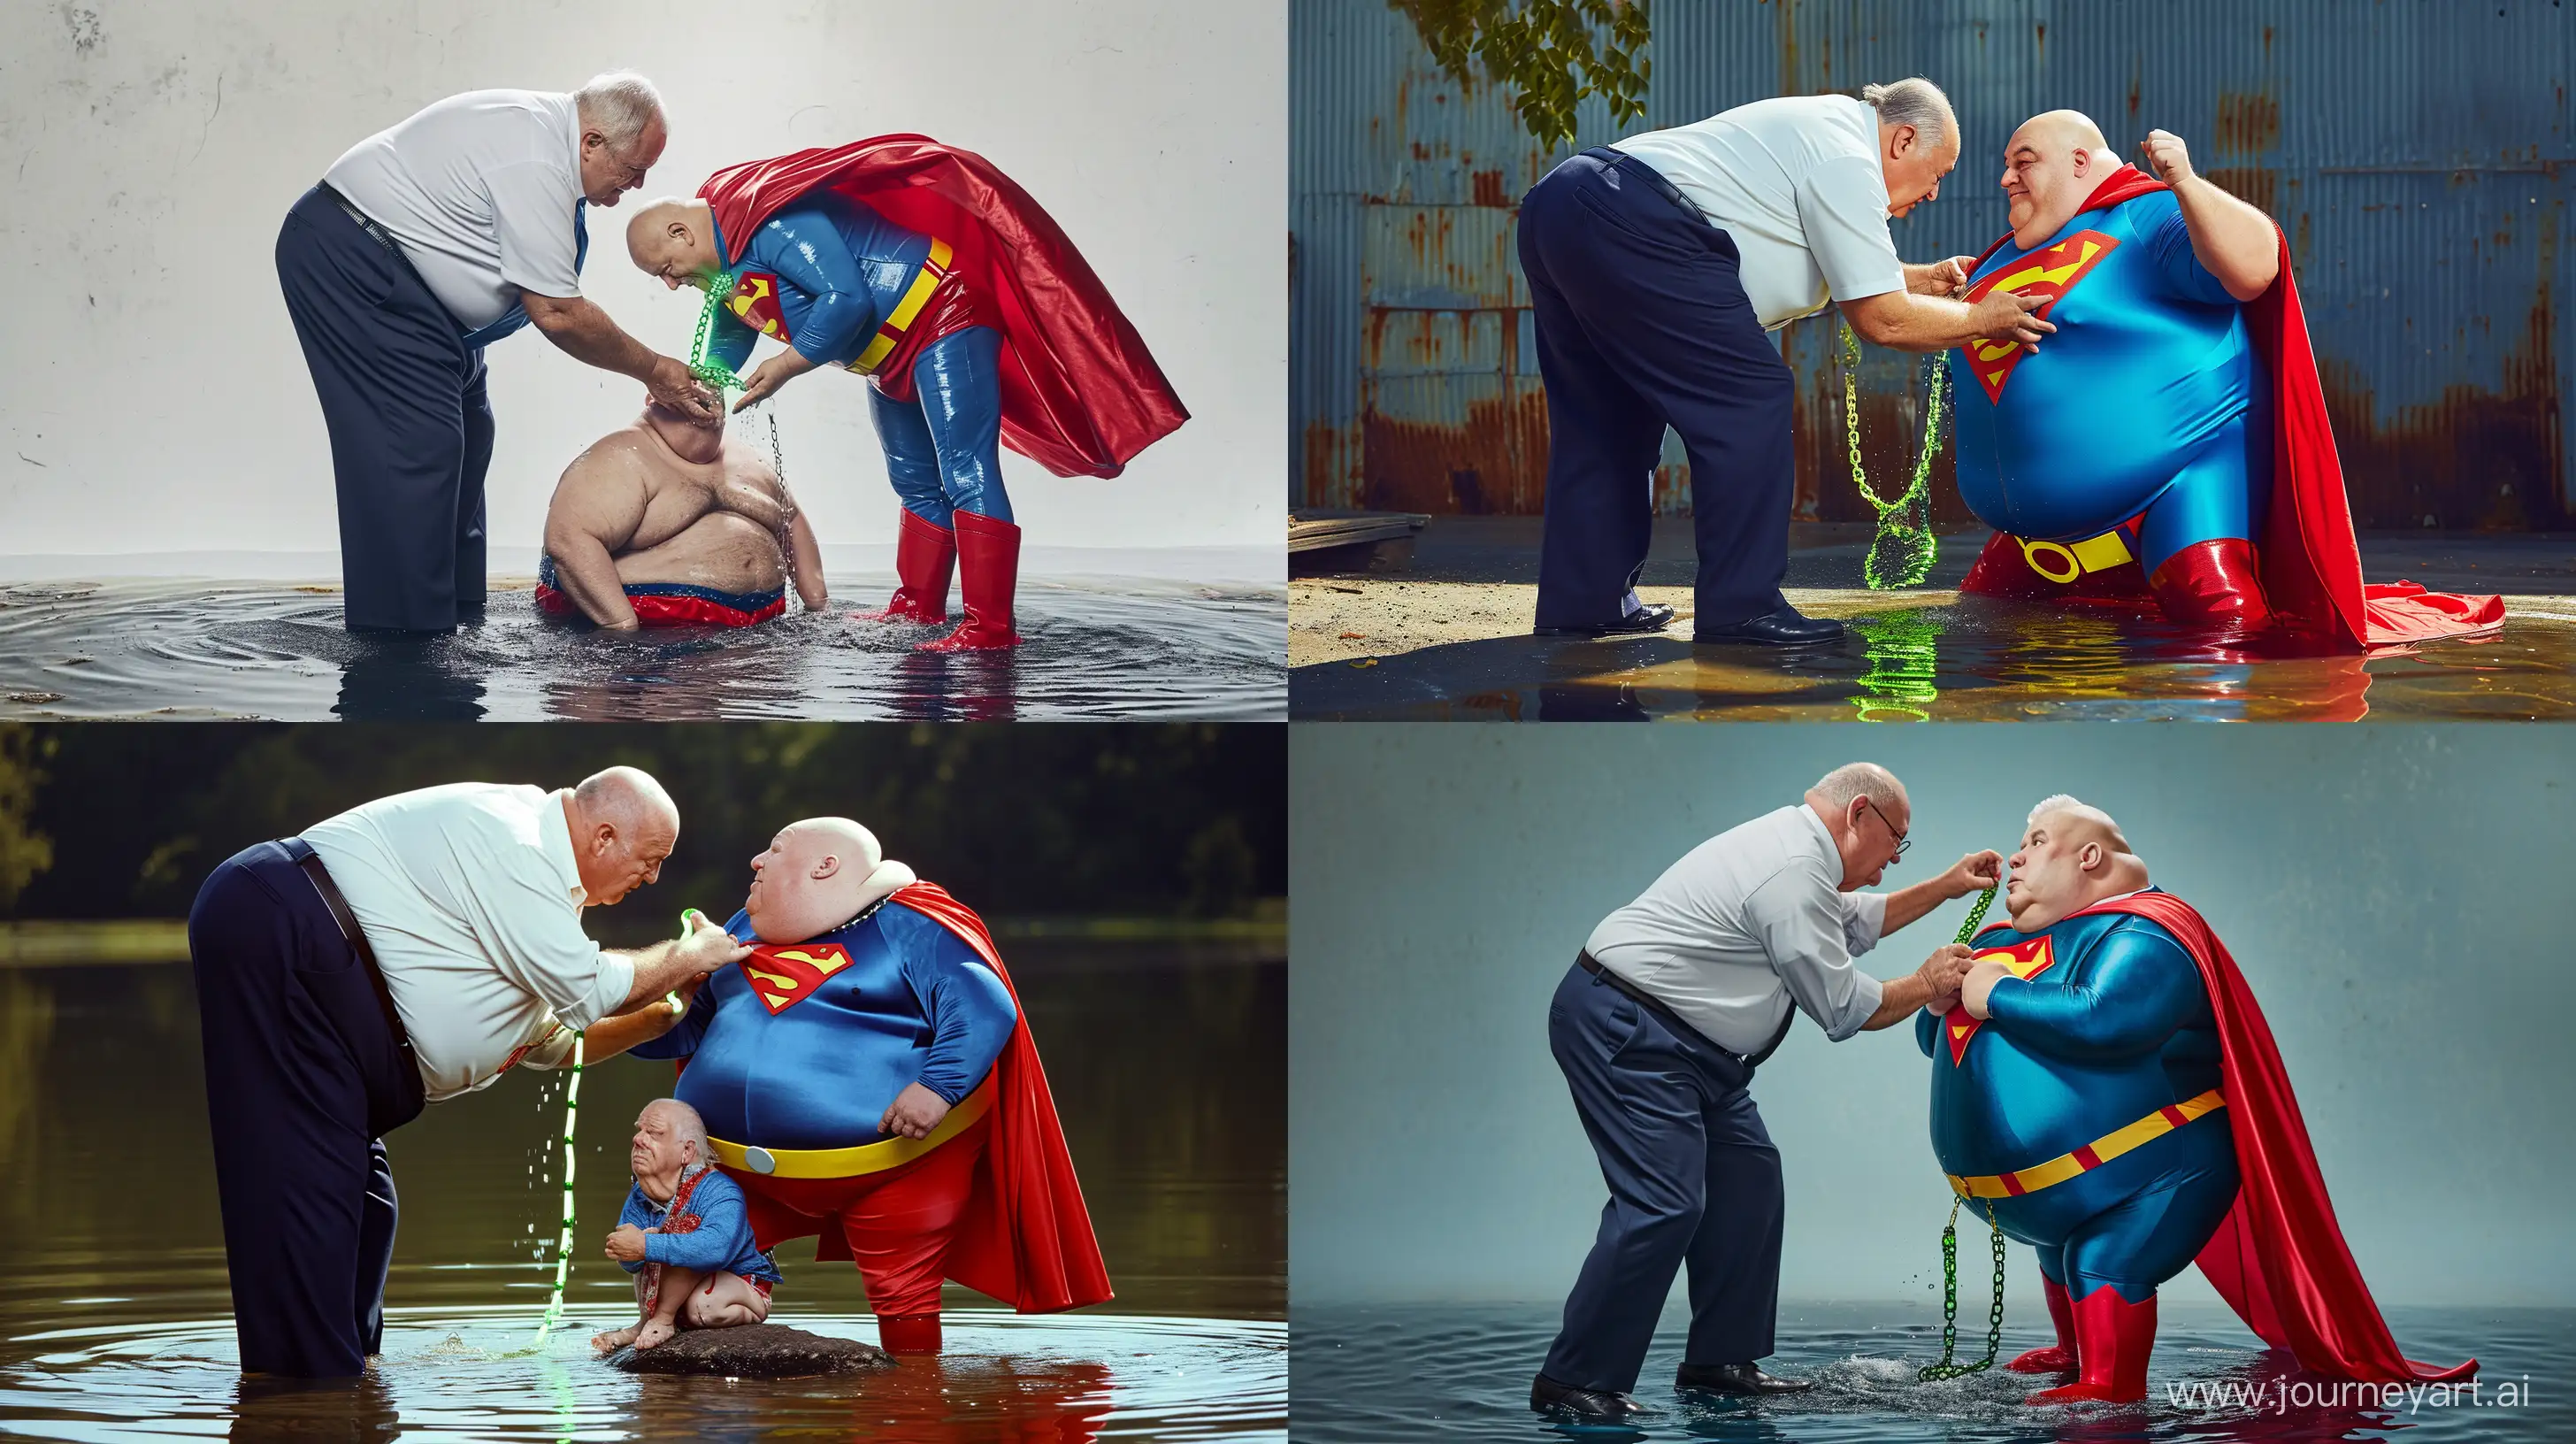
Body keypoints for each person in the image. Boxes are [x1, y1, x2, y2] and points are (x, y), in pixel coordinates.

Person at [186, 767, 752, 1377]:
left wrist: (655, 1022)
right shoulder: (521, 846)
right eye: (650, 859)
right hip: (286, 930)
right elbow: (590, 990)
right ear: (604, 837)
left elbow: (553, 1043)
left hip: (325, 984)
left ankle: (347, 1386)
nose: (654, 876)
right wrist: (691, 954)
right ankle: (304, 1390)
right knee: (307, 1203)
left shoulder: (548, 893)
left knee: (367, 1205)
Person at [1926, 797, 2475, 1402]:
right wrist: (1936, 998)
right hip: (2060, 1191)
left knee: (2104, 1255)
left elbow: (2106, 1018)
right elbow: (1939, 1040)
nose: (2016, 856)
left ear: (2088, 857)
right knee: (2062, 1252)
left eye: (2035, 841)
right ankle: (2075, 1352)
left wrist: (1998, 993)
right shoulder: (2000, 939)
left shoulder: (2147, 932)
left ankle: (2110, 1384)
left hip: (2157, 1169)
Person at [1530, 763, 2001, 1421]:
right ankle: (1573, 1381)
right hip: (1630, 1027)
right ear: (1859, 814)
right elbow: (1844, 1010)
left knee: (1750, 1178)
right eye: (1898, 841)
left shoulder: (1802, 854)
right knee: (1665, 1203)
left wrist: (1947, 887)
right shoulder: (1789, 871)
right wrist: (1927, 983)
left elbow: (1854, 922)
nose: (1895, 857)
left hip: (1698, 1053)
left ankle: (1720, 1364)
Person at [1518, 79, 2054, 647]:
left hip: (1566, 207)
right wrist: (1985, 320)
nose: (1932, 195)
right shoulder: (1849, 160)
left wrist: (1925, 278)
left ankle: (1586, 602)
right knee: (1750, 399)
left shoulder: (1829, 137)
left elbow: (1850, 268)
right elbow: (1883, 320)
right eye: (1938, 174)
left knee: (1607, 418)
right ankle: (1741, 608)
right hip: (1635, 219)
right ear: (1901, 142)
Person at [1945, 113, 2503, 645]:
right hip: (2032, 542)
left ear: (2080, 162)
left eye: (2024, 162)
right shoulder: (1997, 258)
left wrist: (2186, 183)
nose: (2005, 178)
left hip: (2172, 501)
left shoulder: (2148, 217)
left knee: (2226, 631)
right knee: (1975, 626)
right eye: (2007, 165)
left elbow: (2258, 265)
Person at [622, 134, 1191, 651]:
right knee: (913, 479)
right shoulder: (725, 264)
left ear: (683, 233)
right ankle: (919, 606)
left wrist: (789, 364)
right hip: (886, 356)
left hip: (944, 314)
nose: (671, 283)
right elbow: (733, 323)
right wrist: (704, 382)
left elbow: (846, 301)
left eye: (667, 268)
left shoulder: (773, 226)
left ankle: (990, 628)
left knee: (965, 469)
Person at [629, 817, 1110, 1354]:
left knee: (903, 1294)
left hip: (893, 1167)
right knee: (680, 1280)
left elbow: (982, 1007)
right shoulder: (740, 928)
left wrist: (938, 1087)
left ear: (824, 866)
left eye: (775, 849)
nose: (756, 861)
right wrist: (635, 1015)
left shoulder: (911, 921)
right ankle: (713, 1387)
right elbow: (693, 1028)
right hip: (736, 1173)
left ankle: (911, 1400)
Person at [277, 73, 720, 634]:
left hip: (423, 299)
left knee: (469, 435)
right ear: (592, 143)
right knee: (418, 447)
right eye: (634, 170)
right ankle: (404, 646)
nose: (636, 186)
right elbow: (557, 313)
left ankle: (458, 619)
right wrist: (656, 370)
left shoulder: (551, 149)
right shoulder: (534, 159)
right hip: (356, 262)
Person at [536, 392, 827, 629]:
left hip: (759, 630)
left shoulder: (750, 460)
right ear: (652, 400)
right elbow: (568, 538)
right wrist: (621, 625)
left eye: (710, 391)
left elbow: (791, 519)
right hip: (652, 631)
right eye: (690, 391)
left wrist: (818, 604)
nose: (701, 395)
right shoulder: (622, 455)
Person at [594, 1099, 782, 1354]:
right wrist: (632, 1250)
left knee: (702, 1307)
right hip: (683, 1290)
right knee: (654, 1244)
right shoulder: (641, 1194)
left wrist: (647, 1244)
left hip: (734, 1283)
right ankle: (647, 1321)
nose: (638, 1140)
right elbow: (632, 1261)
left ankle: (669, 1318)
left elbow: (713, 1250)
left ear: (687, 1152)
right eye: (640, 1130)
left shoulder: (720, 1191)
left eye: (654, 1134)